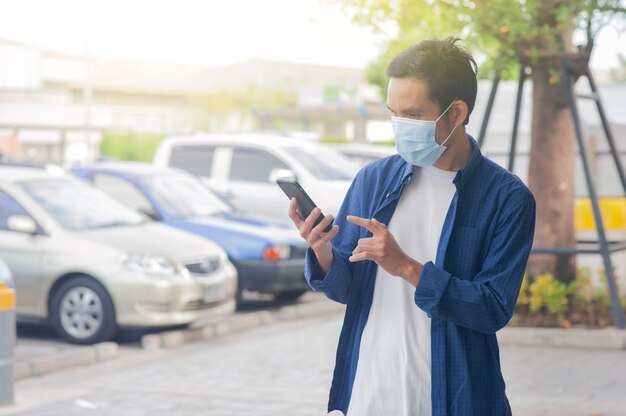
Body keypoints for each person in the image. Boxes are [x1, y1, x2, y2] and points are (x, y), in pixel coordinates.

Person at [287, 37, 536, 415]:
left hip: (456, 398)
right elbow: (346, 288)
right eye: (394, 112)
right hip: (369, 392)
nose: (400, 126)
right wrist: (321, 249)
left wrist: (406, 267)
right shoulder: (374, 179)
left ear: (456, 113)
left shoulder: (507, 199)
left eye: (414, 115)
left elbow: (492, 309)